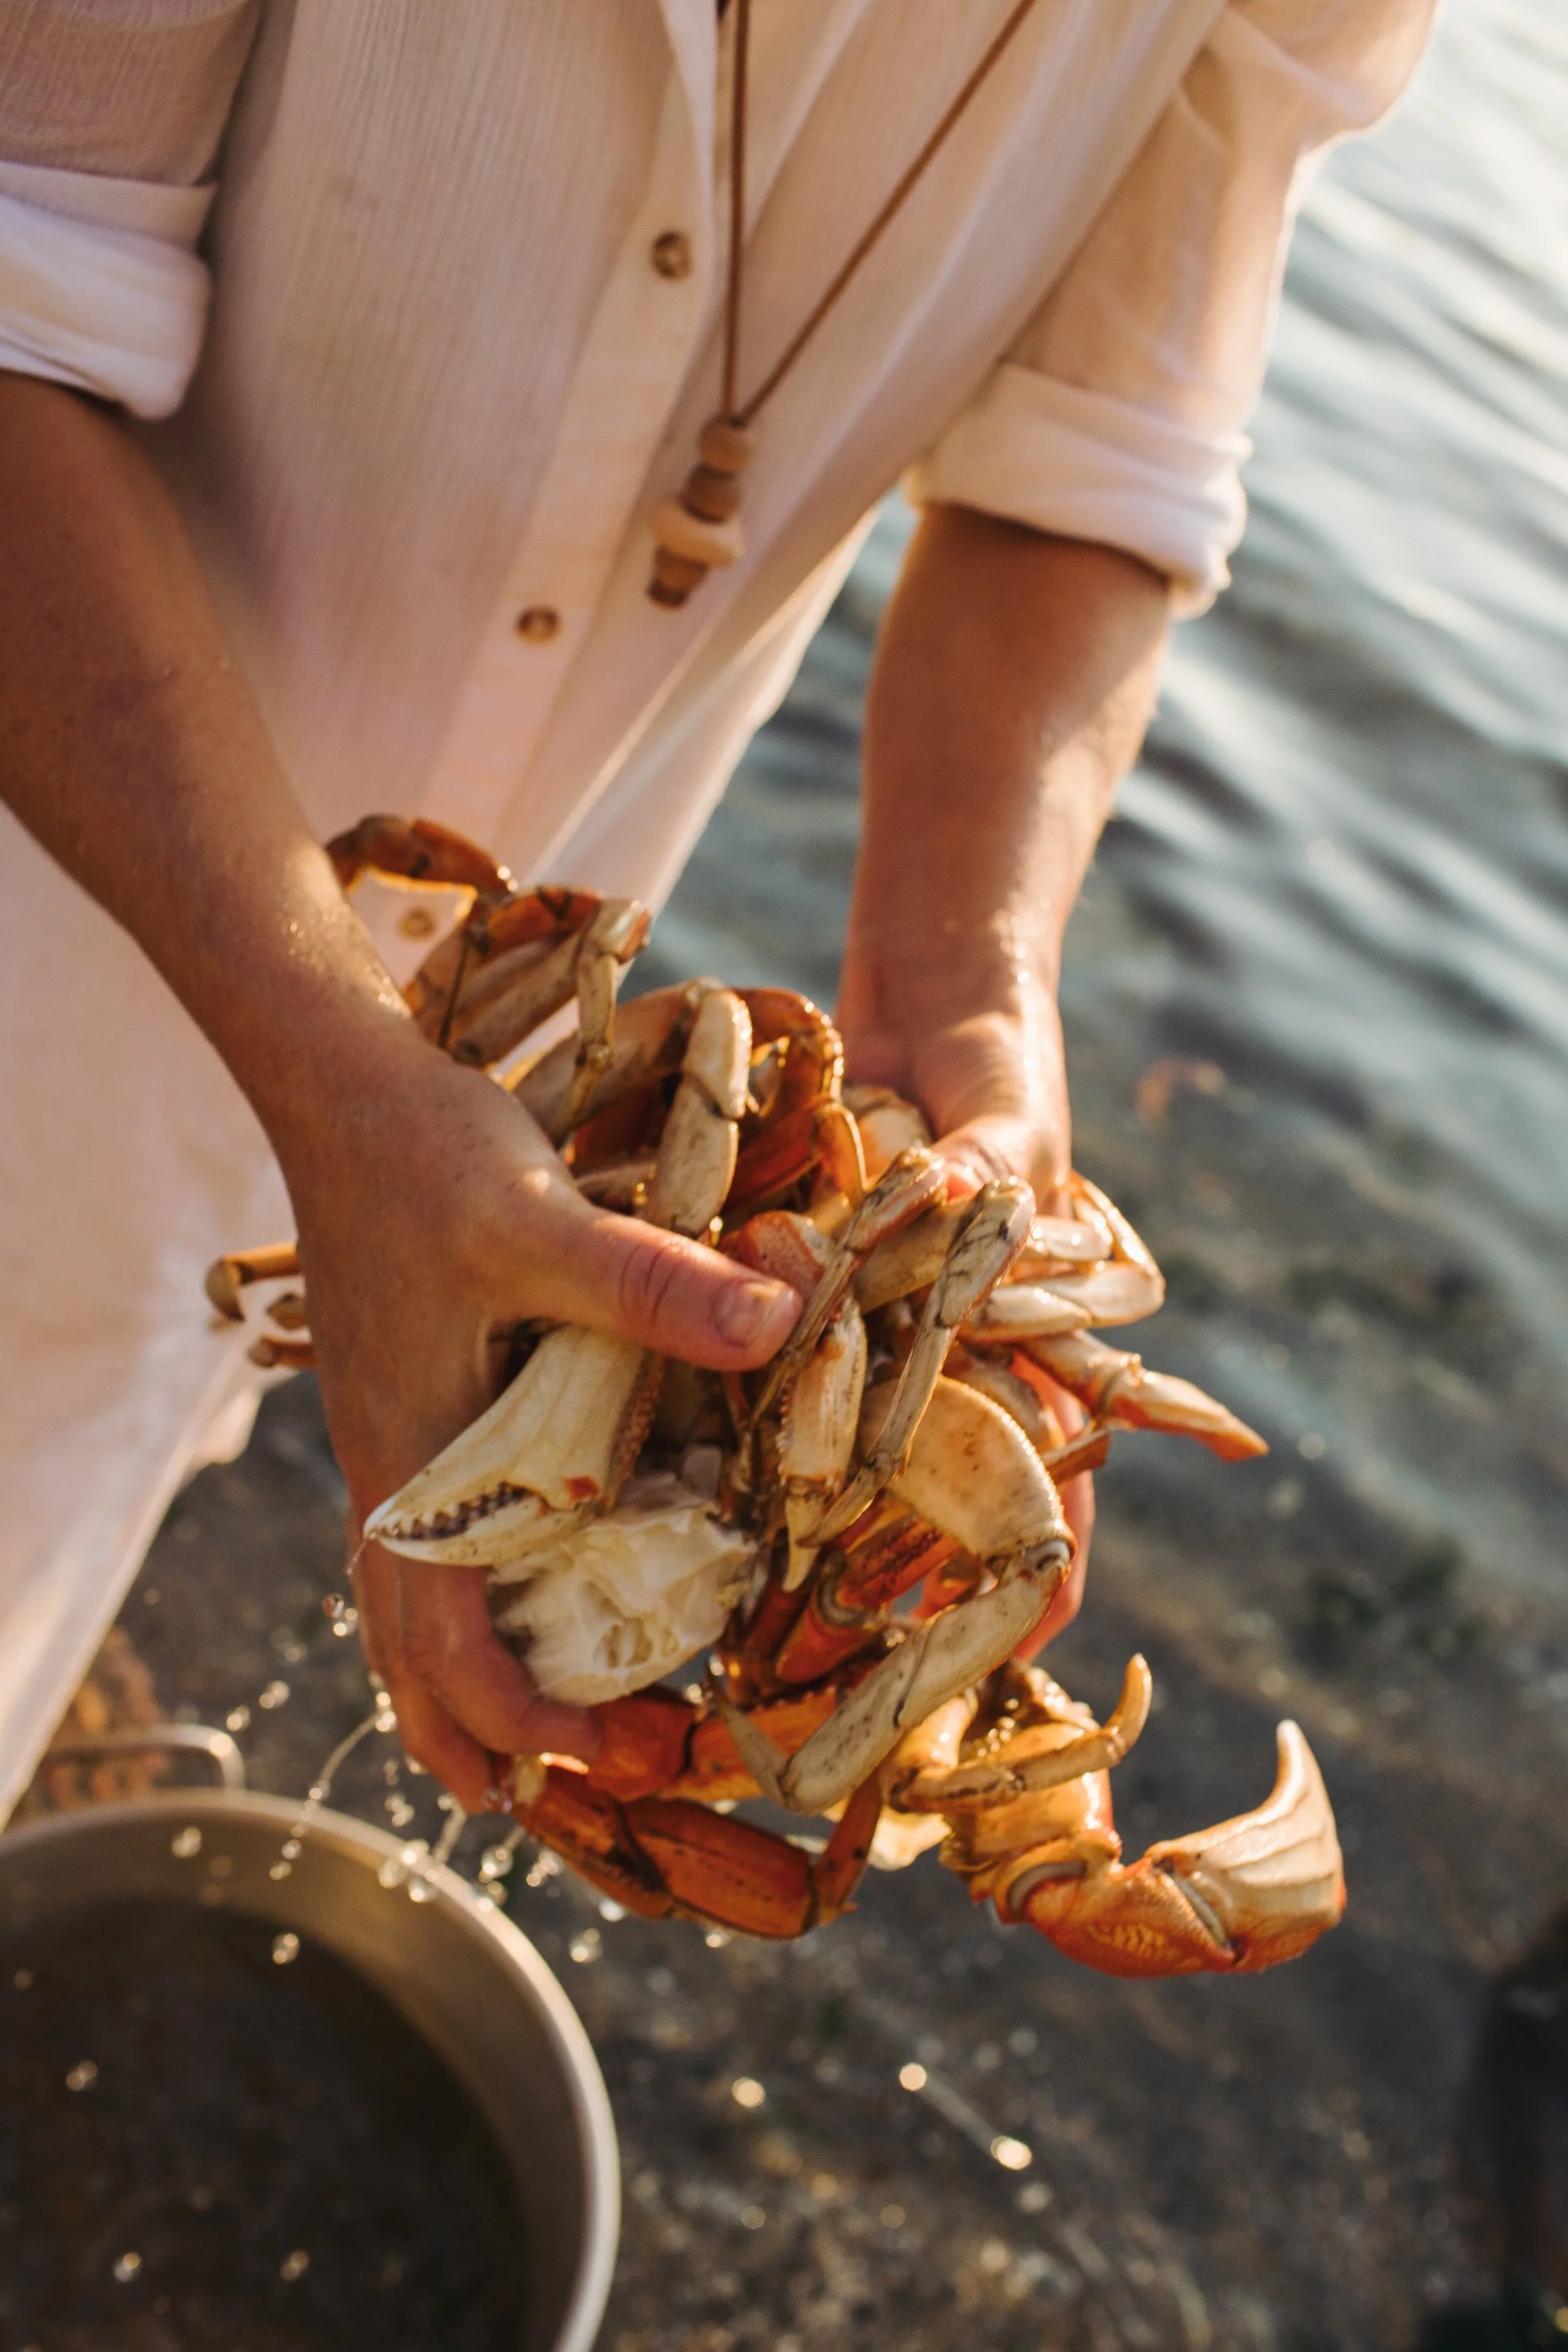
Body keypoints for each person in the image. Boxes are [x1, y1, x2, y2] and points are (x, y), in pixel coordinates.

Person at [0, 0, 1432, 1818]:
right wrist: (329, 1066)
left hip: (491, 1062)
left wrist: (962, 985)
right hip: (44, 869)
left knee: (77, 1491)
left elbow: (1092, 461)